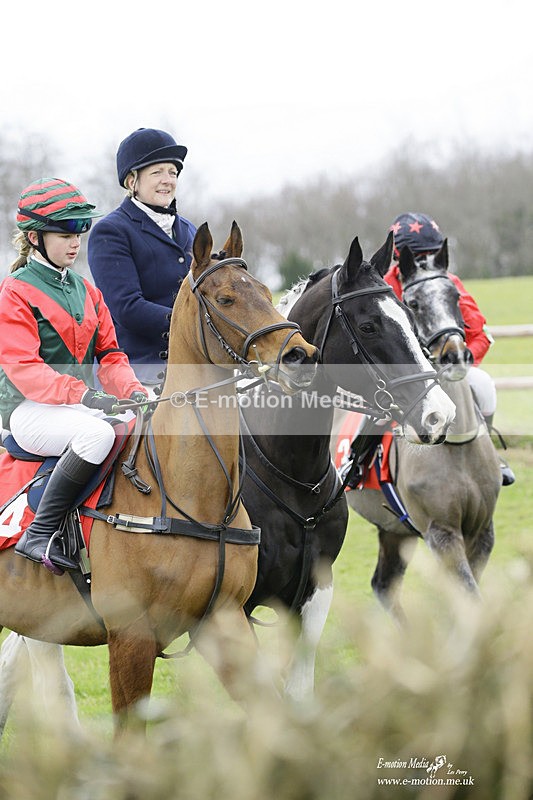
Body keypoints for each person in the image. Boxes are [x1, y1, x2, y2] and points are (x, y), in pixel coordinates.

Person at [0, 178, 148, 573]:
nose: (75, 242)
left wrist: (134, 390)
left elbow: (111, 355)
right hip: (29, 410)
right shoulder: (15, 291)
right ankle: (39, 534)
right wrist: (83, 394)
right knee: (97, 435)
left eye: (80, 233)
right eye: (66, 234)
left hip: (74, 404)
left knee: (141, 424)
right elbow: (25, 369)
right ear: (35, 237)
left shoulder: (88, 291)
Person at [386, 211, 514, 486]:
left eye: (430, 254)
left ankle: (490, 454)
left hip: (446, 369)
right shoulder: (386, 286)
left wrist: (464, 360)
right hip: (405, 375)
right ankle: (356, 462)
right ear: (400, 257)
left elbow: (480, 334)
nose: (425, 262)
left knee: (484, 385)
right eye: (418, 256)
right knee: (370, 410)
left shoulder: (449, 283)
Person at [88, 127, 197, 389]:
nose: (167, 180)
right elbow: (127, 307)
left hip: (192, 364)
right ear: (131, 181)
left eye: (172, 172)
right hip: (137, 369)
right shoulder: (111, 231)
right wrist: (196, 324)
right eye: (157, 172)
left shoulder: (189, 229)